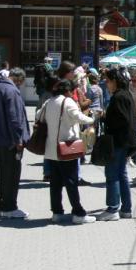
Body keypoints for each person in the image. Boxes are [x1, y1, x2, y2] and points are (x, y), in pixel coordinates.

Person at [42, 79, 95, 224]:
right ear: (67, 91)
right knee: (71, 182)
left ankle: (57, 213)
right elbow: (78, 117)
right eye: (72, 91)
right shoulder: (68, 101)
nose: (73, 94)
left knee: (55, 184)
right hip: (66, 148)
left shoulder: (49, 102)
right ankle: (78, 213)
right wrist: (92, 119)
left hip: (51, 150)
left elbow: (38, 116)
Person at [0, 67, 30, 218]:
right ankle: (10, 207)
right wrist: (19, 139)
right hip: (11, 140)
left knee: (2, 172)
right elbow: (15, 118)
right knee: (12, 173)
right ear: (18, 79)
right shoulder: (11, 91)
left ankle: (1, 205)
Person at [99, 68, 136, 221]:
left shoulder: (118, 97)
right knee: (122, 174)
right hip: (125, 141)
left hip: (117, 141)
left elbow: (122, 120)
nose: (106, 84)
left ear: (114, 81)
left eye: (107, 81)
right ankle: (126, 209)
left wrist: (105, 118)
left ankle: (113, 208)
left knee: (112, 174)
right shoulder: (127, 94)